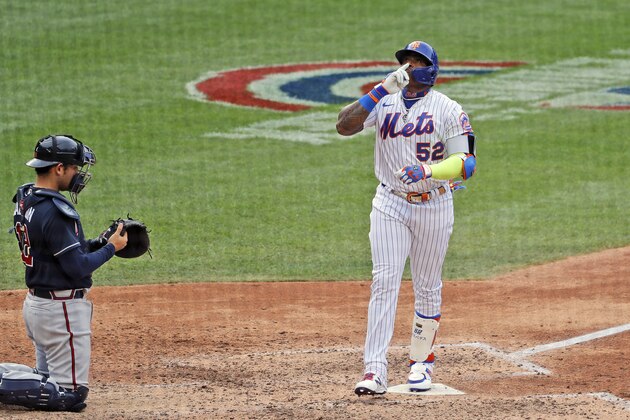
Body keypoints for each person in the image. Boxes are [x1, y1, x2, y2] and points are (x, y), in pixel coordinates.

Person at [336, 41, 477, 395]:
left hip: (434, 202)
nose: (409, 66)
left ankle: (421, 363)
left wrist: (428, 169)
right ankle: (374, 370)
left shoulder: (447, 108)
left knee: (427, 286)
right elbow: (344, 125)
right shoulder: (383, 101)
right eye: (406, 61)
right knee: (384, 280)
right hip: (390, 202)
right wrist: (381, 89)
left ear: (430, 69)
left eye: (417, 61)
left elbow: (466, 163)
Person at [0, 135, 127, 412]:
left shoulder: (27, 199)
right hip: (61, 312)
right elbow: (77, 267)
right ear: (59, 168)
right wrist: (111, 249)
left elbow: (57, 250)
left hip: (39, 306)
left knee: (46, 379)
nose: (79, 175)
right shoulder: (56, 211)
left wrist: (99, 243)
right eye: (75, 168)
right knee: (70, 394)